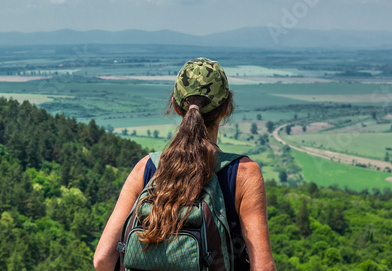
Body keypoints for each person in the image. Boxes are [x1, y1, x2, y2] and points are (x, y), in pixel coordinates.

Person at [93, 58, 275, 270]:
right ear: (226, 108)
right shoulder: (243, 174)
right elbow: (263, 267)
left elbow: (103, 260)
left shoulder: (147, 168)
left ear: (176, 106)